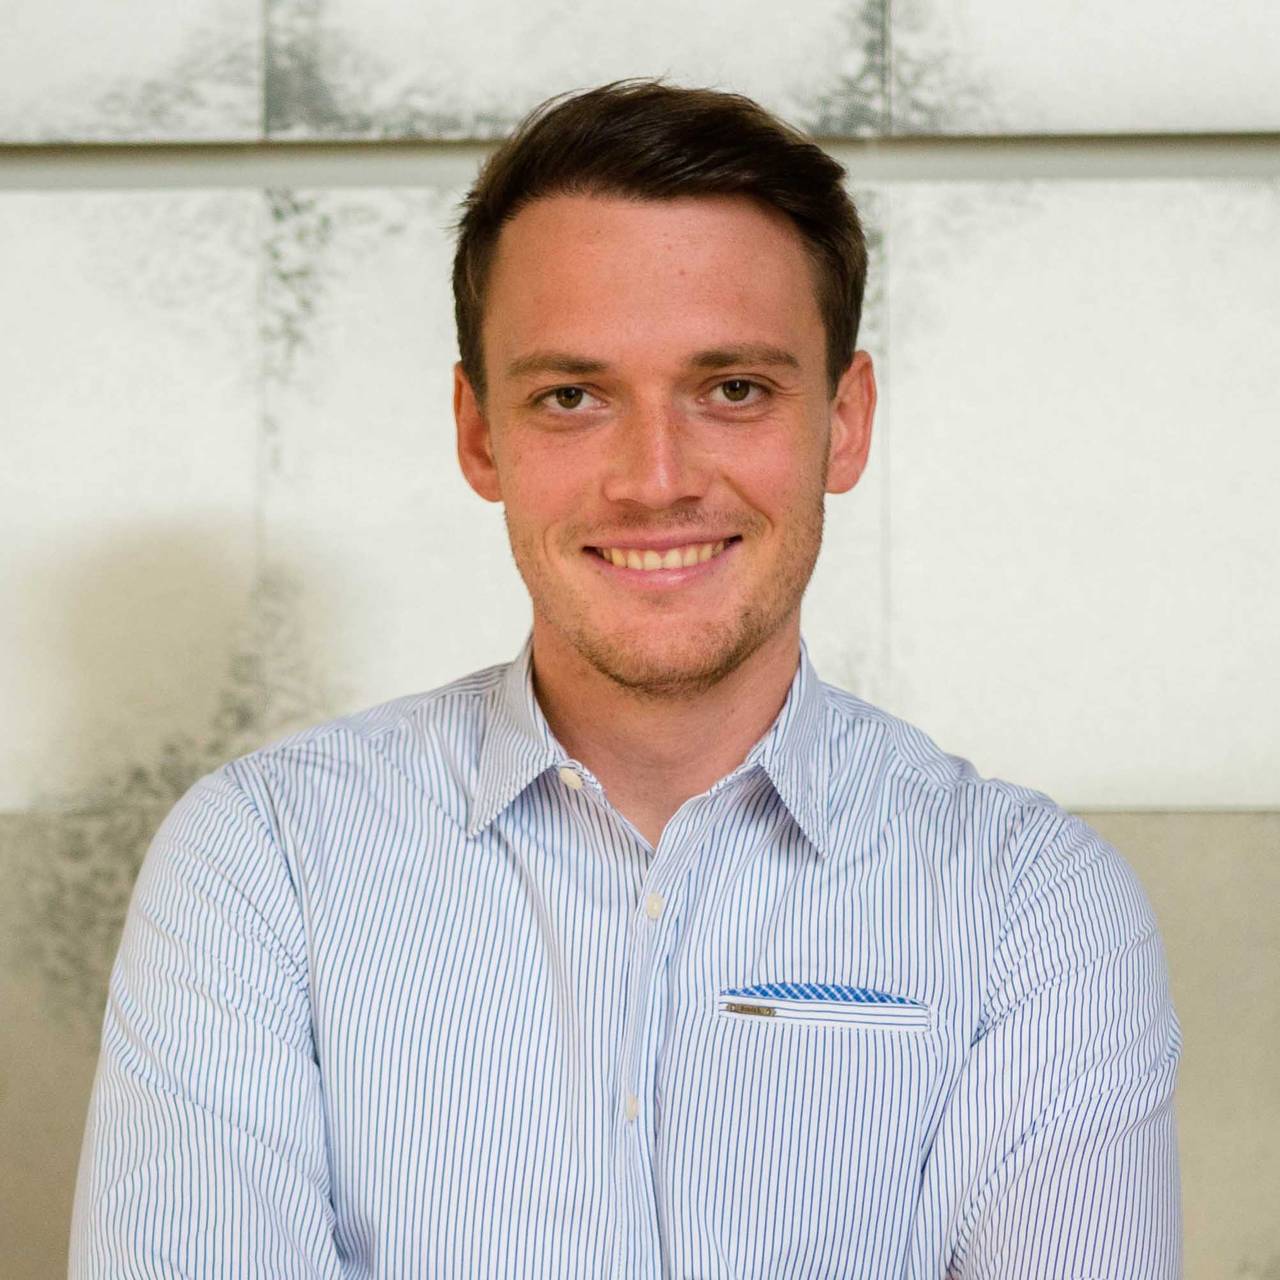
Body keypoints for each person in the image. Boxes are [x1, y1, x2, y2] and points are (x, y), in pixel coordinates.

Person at [70, 81, 1181, 1278]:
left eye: (733, 389)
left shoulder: (1029, 904)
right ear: (479, 432)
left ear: (844, 420)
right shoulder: (264, 861)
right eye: (572, 396)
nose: (655, 478)